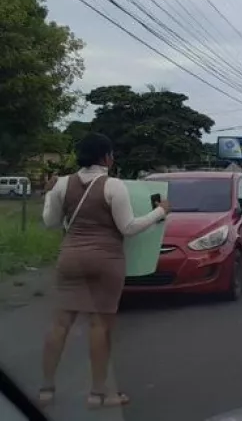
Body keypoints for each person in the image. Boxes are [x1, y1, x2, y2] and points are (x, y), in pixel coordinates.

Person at [39, 133, 170, 409]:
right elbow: (128, 228)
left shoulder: (61, 184)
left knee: (60, 323)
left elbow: (50, 222)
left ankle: (46, 390)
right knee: (100, 326)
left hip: (70, 258)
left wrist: (49, 194)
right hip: (106, 261)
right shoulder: (113, 186)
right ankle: (99, 394)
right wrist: (160, 212)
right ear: (106, 157)